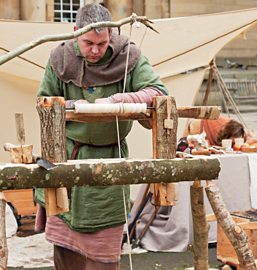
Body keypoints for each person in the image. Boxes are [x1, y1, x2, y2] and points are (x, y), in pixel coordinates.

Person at [35, 4, 168, 269]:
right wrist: (73, 108)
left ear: (112, 36)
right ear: (76, 33)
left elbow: (158, 93)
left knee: (103, 250)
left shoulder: (128, 55)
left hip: (110, 158)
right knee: (66, 245)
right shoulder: (60, 58)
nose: (95, 50)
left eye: (102, 43)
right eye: (88, 43)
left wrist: (119, 100)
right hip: (68, 157)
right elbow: (44, 102)